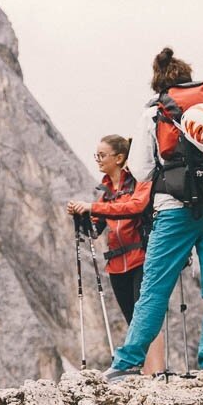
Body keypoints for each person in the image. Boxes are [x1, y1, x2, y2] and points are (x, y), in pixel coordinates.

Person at [67, 48, 203, 380]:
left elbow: (142, 170)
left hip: (174, 212)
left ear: (159, 82)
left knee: (154, 289)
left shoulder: (155, 113)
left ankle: (128, 361)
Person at [69, 135, 165, 376]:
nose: (98, 160)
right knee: (133, 318)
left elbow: (135, 207)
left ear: (119, 158)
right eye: (97, 155)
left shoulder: (138, 182)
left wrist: (92, 207)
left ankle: (156, 372)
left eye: (102, 155)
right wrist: (82, 217)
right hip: (116, 264)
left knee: (146, 316)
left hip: (141, 258)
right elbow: (95, 229)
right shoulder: (106, 192)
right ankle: (145, 372)